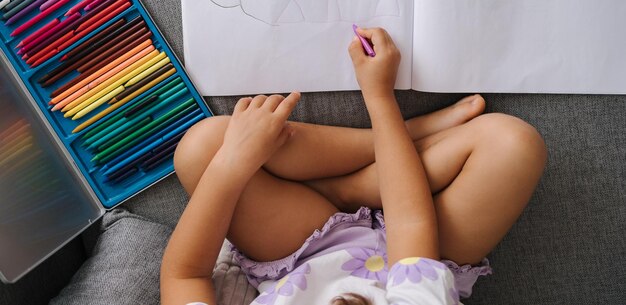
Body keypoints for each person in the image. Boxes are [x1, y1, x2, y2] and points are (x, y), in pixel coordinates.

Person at [161, 27, 547, 305]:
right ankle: (396, 144)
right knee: (512, 144)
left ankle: (355, 181)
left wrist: (233, 163)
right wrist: (379, 98)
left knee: (203, 148)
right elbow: (412, 224)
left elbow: (184, 275)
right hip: (429, 248)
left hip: (301, 254)